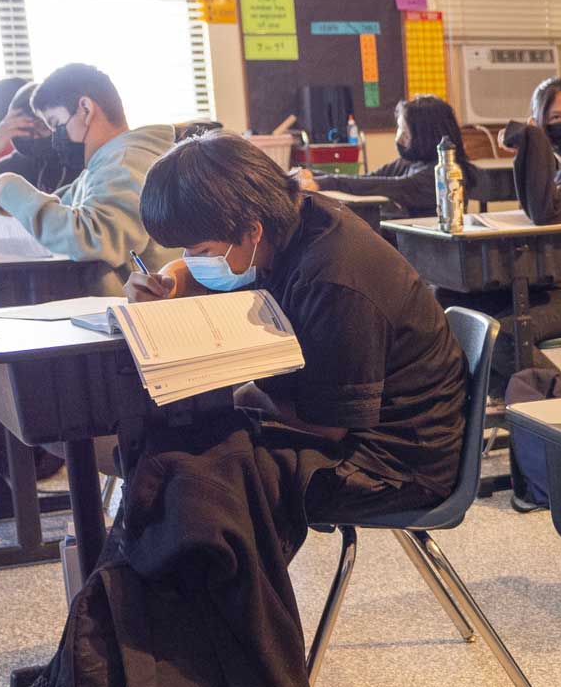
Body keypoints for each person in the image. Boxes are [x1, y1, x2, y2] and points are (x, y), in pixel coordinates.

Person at [32, 131, 467, 684]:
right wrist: (173, 279)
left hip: (393, 459)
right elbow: (225, 274)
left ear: (251, 231)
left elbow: (330, 427)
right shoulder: (290, 219)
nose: (193, 261)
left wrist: (241, 387)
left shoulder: (337, 276)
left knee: (191, 480)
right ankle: (132, 654)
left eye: (200, 250)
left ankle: (175, 661)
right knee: (177, 455)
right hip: (340, 423)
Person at [440, 77, 561, 392]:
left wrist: (532, 138)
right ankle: (509, 397)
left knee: (507, 334)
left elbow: (549, 212)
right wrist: (533, 145)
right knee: (450, 303)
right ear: (540, 122)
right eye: (557, 117)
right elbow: (536, 207)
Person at [0, 63, 178, 296]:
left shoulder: (125, 162)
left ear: (85, 108)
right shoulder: (102, 165)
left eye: (56, 124)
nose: (55, 139)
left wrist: (9, 187)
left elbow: (96, 238)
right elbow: (65, 205)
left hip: (152, 308)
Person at [305, 95, 478, 217]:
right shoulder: (408, 163)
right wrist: (314, 176)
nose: (399, 138)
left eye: (406, 133)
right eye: (399, 130)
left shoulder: (444, 173)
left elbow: (388, 186)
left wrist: (324, 182)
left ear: (425, 136)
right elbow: (367, 179)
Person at [0, 81, 80, 191]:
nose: (35, 136)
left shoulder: (81, 160)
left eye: (42, 126)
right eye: (25, 129)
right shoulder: (25, 162)